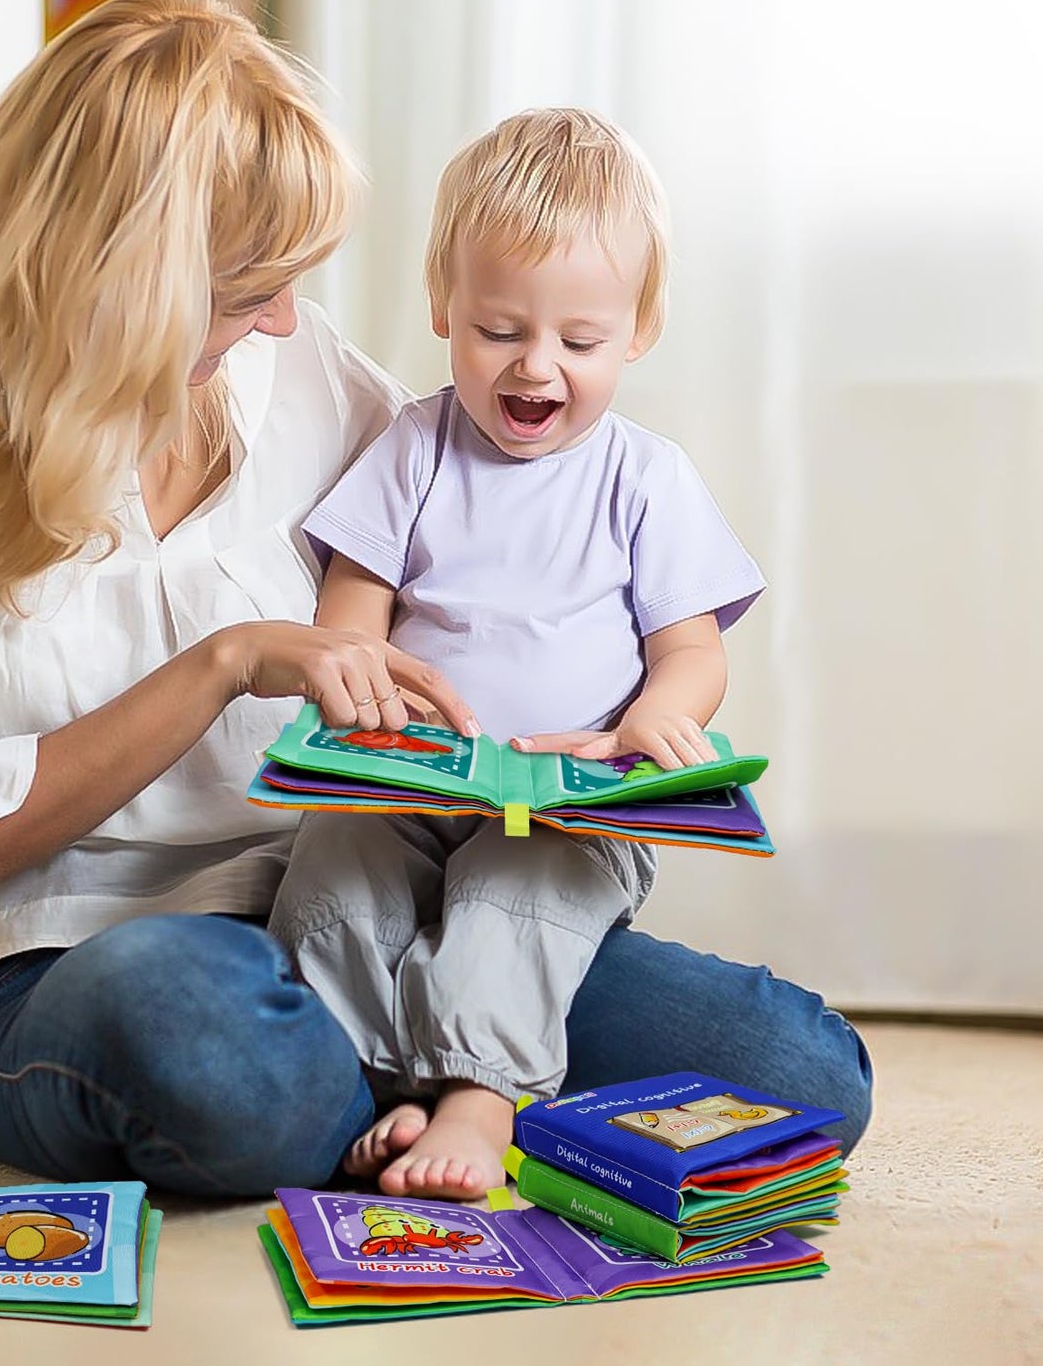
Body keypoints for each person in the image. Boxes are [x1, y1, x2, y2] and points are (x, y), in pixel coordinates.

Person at [0, 0, 871, 1199]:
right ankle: (437, 1082)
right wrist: (224, 662)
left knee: (795, 1071)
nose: (286, 321)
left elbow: (464, 540)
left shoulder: (289, 361)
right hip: (73, 959)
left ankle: (434, 1085)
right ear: (120, 282)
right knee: (217, 1043)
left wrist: (595, 726)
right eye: (247, 291)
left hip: (359, 904)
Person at [269, 108, 840, 1200]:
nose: (536, 367)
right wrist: (357, 694)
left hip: (569, 802)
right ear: (441, 304)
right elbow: (353, 606)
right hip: (411, 777)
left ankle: (481, 1096)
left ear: (637, 327)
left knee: (507, 895)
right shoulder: (414, 445)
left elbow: (689, 648)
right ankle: (385, 1084)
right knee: (330, 878)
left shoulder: (643, 476)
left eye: (578, 341)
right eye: (496, 329)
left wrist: (652, 716)